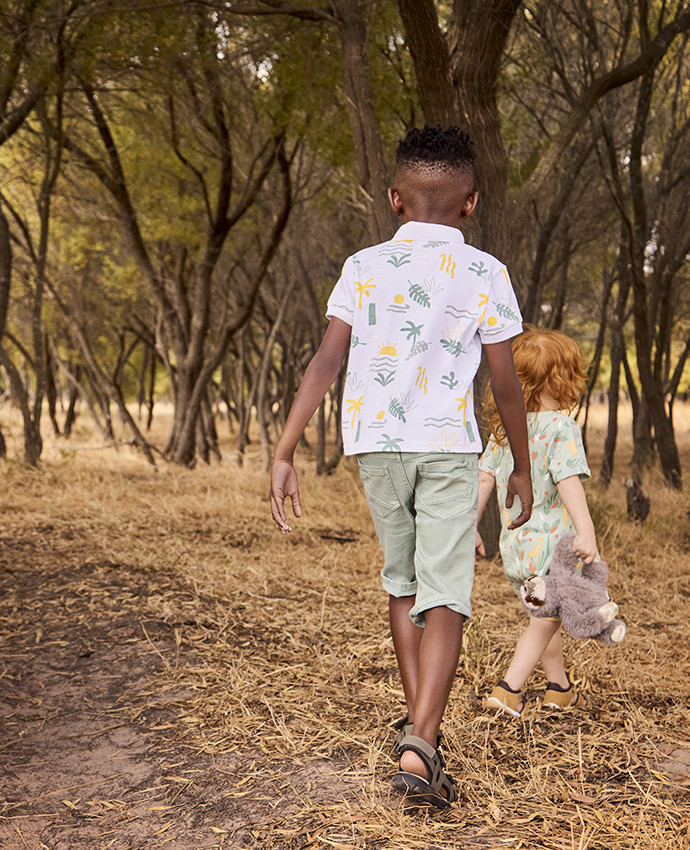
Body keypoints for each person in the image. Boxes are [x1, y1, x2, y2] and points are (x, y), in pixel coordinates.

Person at [269, 124, 533, 807]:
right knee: (446, 593)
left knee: (403, 585)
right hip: (447, 445)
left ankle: (421, 734)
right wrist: (520, 467)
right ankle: (421, 748)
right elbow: (505, 384)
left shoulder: (363, 266)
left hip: (376, 445)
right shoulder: (486, 273)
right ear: (471, 204)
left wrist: (284, 448)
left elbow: (327, 361)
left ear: (394, 198)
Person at [476, 327, 595, 717]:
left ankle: (559, 687)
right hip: (555, 548)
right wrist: (587, 531)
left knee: (545, 619)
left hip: (516, 551)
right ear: (560, 379)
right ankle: (509, 689)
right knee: (546, 619)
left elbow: (483, 480)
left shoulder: (502, 432)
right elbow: (568, 482)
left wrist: (470, 528)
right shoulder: (561, 427)